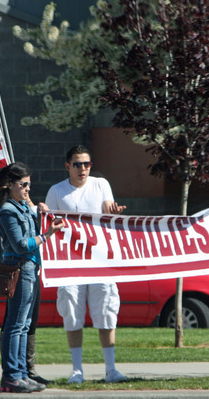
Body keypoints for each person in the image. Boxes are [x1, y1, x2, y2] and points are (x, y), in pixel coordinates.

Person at [45, 145, 128, 384]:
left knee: (106, 312)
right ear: (67, 166)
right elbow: (50, 226)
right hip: (70, 263)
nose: (83, 169)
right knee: (72, 312)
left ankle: (111, 370)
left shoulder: (101, 184)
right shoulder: (57, 191)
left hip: (101, 261)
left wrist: (114, 211)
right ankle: (77, 371)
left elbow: (107, 213)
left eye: (87, 164)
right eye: (78, 164)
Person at [0, 162, 64, 393]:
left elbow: (33, 216)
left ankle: (20, 375)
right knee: (15, 325)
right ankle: (11, 377)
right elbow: (21, 245)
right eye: (23, 185)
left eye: (29, 184)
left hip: (30, 269)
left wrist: (34, 206)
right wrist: (47, 235)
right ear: (9, 185)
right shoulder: (7, 211)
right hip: (19, 269)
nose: (28, 189)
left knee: (24, 325)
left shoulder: (21, 206)